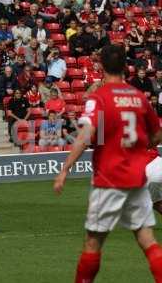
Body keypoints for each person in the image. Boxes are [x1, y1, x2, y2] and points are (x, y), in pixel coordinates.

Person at [54, 45, 162, 282]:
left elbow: (84, 136)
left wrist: (65, 169)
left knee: (93, 243)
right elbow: (156, 136)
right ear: (126, 66)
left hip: (109, 179)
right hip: (137, 178)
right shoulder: (138, 97)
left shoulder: (99, 97)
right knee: (148, 241)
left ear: (101, 65)